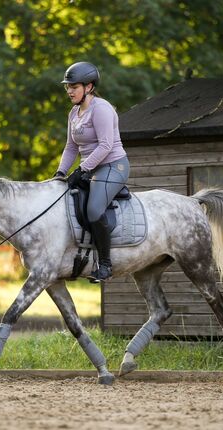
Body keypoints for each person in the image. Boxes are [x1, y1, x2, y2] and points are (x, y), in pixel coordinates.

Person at [54, 61, 130, 283]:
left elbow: (106, 146)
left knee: (95, 211)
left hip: (113, 166)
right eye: (67, 87)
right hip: (90, 169)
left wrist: (81, 169)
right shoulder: (74, 113)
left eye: (73, 86)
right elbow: (71, 147)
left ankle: (105, 265)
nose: (69, 91)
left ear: (88, 87)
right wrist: (60, 172)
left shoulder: (102, 108)